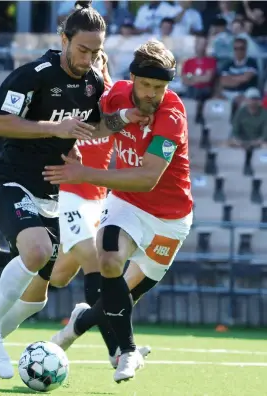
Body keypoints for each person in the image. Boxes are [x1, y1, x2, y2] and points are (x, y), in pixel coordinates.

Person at [0, 4, 107, 385]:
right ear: (64, 39)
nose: (89, 58)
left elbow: (90, 129)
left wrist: (99, 134)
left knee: (38, 296)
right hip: (9, 183)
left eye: (96, 51)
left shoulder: (93, 82)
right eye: (83, 49)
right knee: (36, 252)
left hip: (53, 195)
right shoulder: (32, 76)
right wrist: (55, 128)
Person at [0, 51, 150, 375]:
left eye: (99, 58)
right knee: (93, 261)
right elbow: (9, 122)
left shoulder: (107, 97)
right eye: (89, 55)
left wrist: (129, 115)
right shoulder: (74, 92)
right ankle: (118, 349)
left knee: (48, 285)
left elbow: (108, 126)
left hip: (94, 196)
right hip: (70, 192)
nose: (92, 62)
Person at [44, 39, 193, 383]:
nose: (153, 94)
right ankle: (127, 353)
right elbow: (99, 128)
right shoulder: (118, 95)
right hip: (126, 202)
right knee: (108, 259)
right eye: (147, 85)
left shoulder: (172, 115)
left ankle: (78, 323)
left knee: (121, 296)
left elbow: (147, 177)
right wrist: (119, 118)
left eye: (160, 87)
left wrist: (85, 174)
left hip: (169, 220)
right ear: (133, 79)